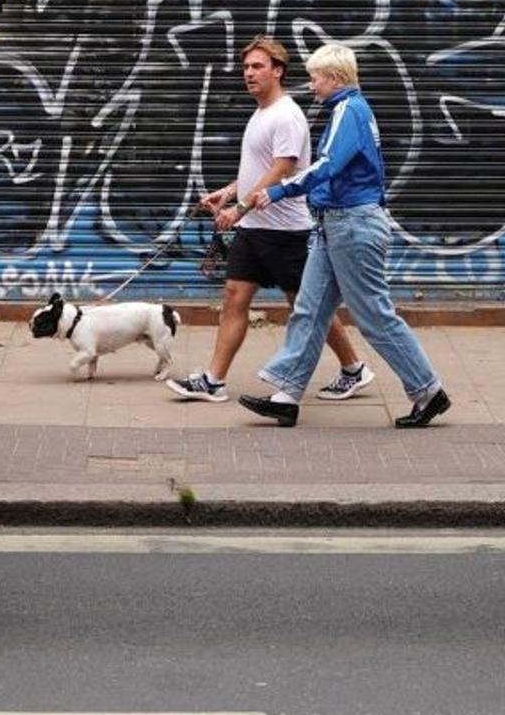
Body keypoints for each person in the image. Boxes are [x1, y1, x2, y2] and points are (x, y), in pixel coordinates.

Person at [235, 44, 449, 429]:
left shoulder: (349, 111)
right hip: (333, 224)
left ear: (334, 78)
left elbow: (327, 166)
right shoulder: (346, 110)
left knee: (374, 316)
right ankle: (286, 394)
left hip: (353, 224)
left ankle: (427, 390)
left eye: (315, 77)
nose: (311, 84)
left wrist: (277, 190)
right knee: (309, 308)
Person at [166, 34, 367, 403]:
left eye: (257, 66)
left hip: (284, 229)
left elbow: (284, 167)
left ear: (278, 71)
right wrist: (229, 192)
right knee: (234, 297)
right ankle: (213, 380)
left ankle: (353, 368)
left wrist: (239, 208)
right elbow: (259, 166)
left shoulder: (287, 114)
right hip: (255, 227)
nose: (249, 73)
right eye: (245, 67)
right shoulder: (261, 113)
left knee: (306, 306)